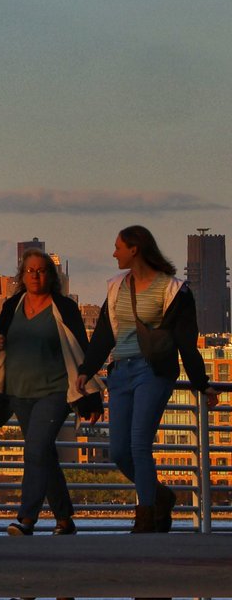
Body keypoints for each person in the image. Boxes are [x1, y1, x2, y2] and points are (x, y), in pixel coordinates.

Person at [77, 225, 220, 533]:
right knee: (118, 451)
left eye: (118, 247)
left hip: (153, 371)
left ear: (135, 249)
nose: (113, 253)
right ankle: (160, 495)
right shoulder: (116, 287)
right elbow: (103, 336)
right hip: (120, 372)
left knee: (139, 443)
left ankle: (145, 515)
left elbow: (186, 340)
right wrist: (86, 370)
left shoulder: (173, 290)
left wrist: (200, 382)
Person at [0, 249, 101, 537]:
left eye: (41, 271)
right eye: (30, 271)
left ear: (51, 276)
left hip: (55, 391)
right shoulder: (13, 305)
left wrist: (92, 396)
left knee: (35, 450)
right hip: (19, 392)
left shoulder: (64, 307)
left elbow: (81, 351)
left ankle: (26, 519)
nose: (35, 276)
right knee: (44, 455)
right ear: (21, 276)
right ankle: (64, 519)